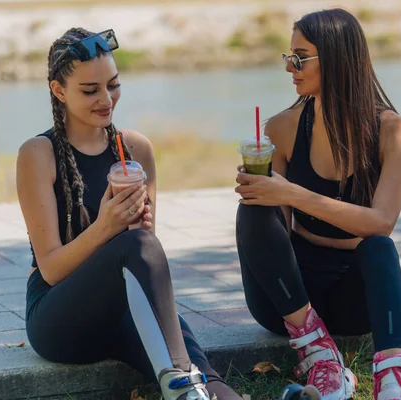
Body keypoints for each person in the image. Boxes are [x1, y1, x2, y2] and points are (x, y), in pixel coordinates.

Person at [16, 27, 241, 400]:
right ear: (58, 90)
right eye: (90, 90)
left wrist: (141, 231)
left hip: (122, 309)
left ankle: (192, 389)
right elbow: (52, 269)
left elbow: (145, 254)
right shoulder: (38, 154)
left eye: (113, 85)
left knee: (194, 366)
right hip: (59, 319)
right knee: (136, 245)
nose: (106, 99)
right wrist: (108, 227)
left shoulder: (136, 149)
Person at [235, 9, 401, 400]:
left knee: (379, 248)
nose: (290, 68)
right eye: (288, 57)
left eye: (299, 58)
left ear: (335, 59)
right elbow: (273, 231)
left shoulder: (393, 132)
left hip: (358, 301)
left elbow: (381, 223)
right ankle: (317, 353)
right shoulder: (281, 129)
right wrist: (267, 193)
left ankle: (394, 383)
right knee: (252, 208)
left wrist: (292, 193)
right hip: (289, 300)